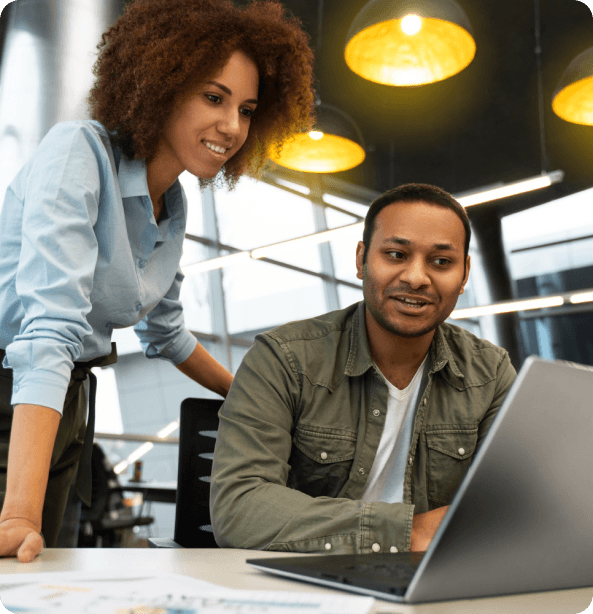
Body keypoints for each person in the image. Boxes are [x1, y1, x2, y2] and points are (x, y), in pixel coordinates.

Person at [0, 0, 314, 562]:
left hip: (69, 406)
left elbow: (166, 334)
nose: (232, 126)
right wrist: (19, 511)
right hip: (15, 399)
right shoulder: (78, 151)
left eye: (246, 109)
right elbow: (48, 331)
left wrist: (259, 399)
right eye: (213, 98)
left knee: (46, 584)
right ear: (160, 83)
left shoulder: (174, 205)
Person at [210, 183, 517, 554]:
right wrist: (406, 532)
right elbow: (238, 508)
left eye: (441, 262)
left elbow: (513, 504)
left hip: (434, 586)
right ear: (361, 260)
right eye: (395, 254)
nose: (416, 277)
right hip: (307, 583)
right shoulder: (284, 359)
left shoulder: (491, 373)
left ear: (464, 273)